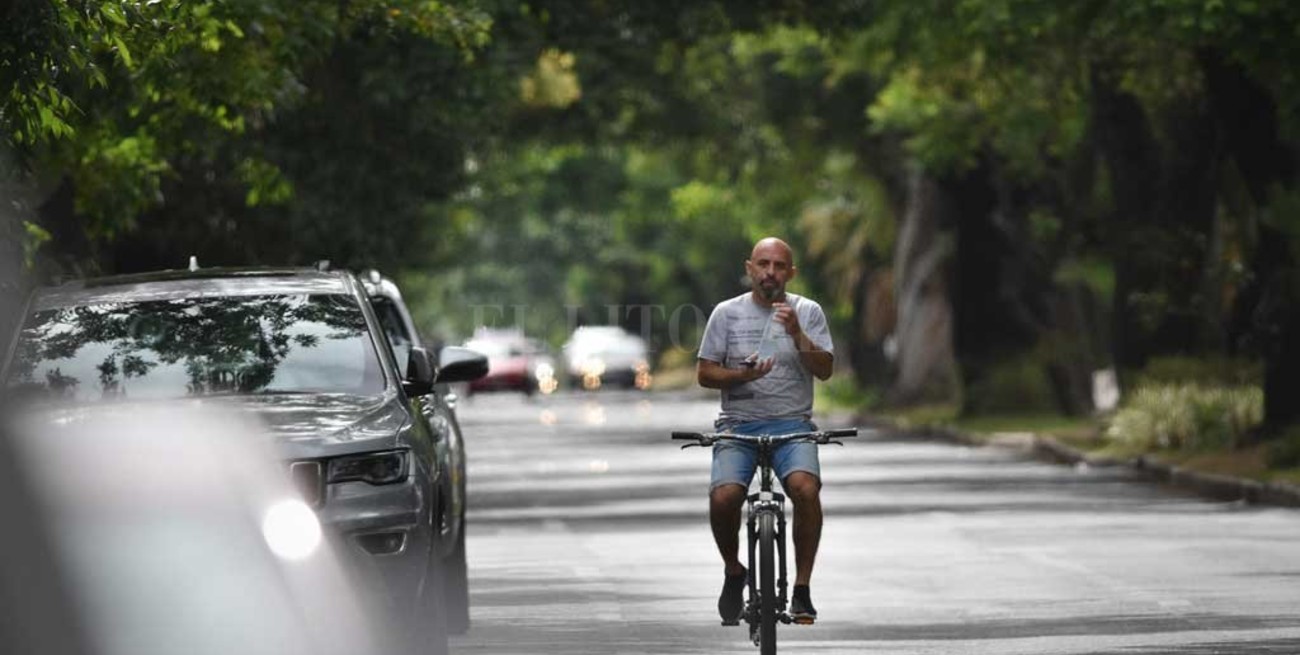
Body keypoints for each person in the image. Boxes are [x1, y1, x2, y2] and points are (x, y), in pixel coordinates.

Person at [696, 236, 834, 625]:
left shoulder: (808, 311)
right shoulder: (726, 314)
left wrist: (796, 335)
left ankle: (802, 589)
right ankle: (734, 570)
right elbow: (705, 373)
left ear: (791, 272)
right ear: (749, 269)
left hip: (793, 424)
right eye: (763, 264)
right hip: (738, 426)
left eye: (778, 266)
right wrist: (743, 375)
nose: (770, 272)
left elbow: (824, 369)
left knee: (806, 489)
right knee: (724, 498)